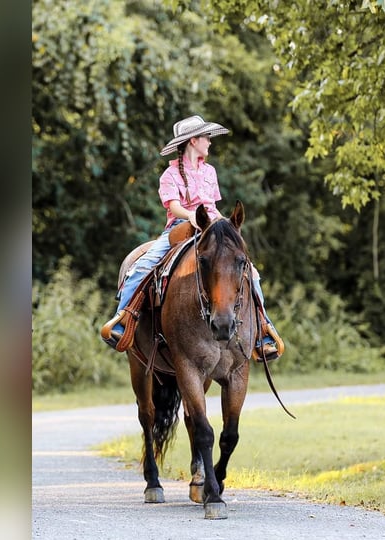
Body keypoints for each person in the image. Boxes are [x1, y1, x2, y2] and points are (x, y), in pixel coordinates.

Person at [101, 114, 283, 361]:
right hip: (179, 226)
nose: (209, 142)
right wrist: (190, 216)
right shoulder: (170, 175)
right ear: (193, 141)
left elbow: (213, 206)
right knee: (142, 267)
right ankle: (123, 321)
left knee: (250, 271)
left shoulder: (210, 171)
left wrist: (224, 223)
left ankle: (263, 330)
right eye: (206, 138)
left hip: (212, 228)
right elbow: (173, 206)